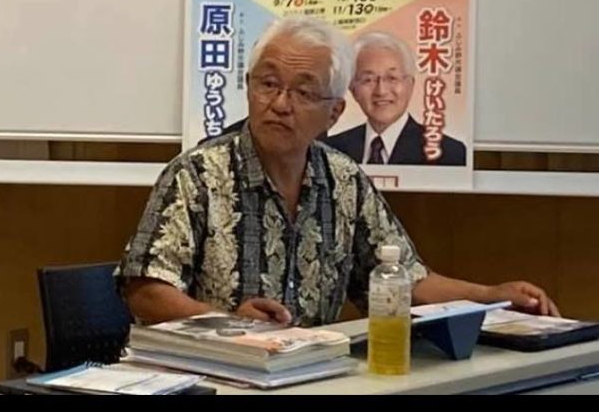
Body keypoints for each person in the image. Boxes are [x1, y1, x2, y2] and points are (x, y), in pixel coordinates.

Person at [118, 18, 557, 326]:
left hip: (311, 376)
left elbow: (404, 278)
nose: (280, 104)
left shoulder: (343, 180)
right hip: (213, 375)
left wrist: (490, 296)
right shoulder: (196, 175)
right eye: (268, 84)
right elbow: (146, 290)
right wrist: (231, 325)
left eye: (303, 92)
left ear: (334, 113)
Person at [325, 31, 466, 165]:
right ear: (352, 89)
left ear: (410, 85)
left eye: (392, 78)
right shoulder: (330, 151)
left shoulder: (449, 153)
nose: (381, 91)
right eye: (368, 80)